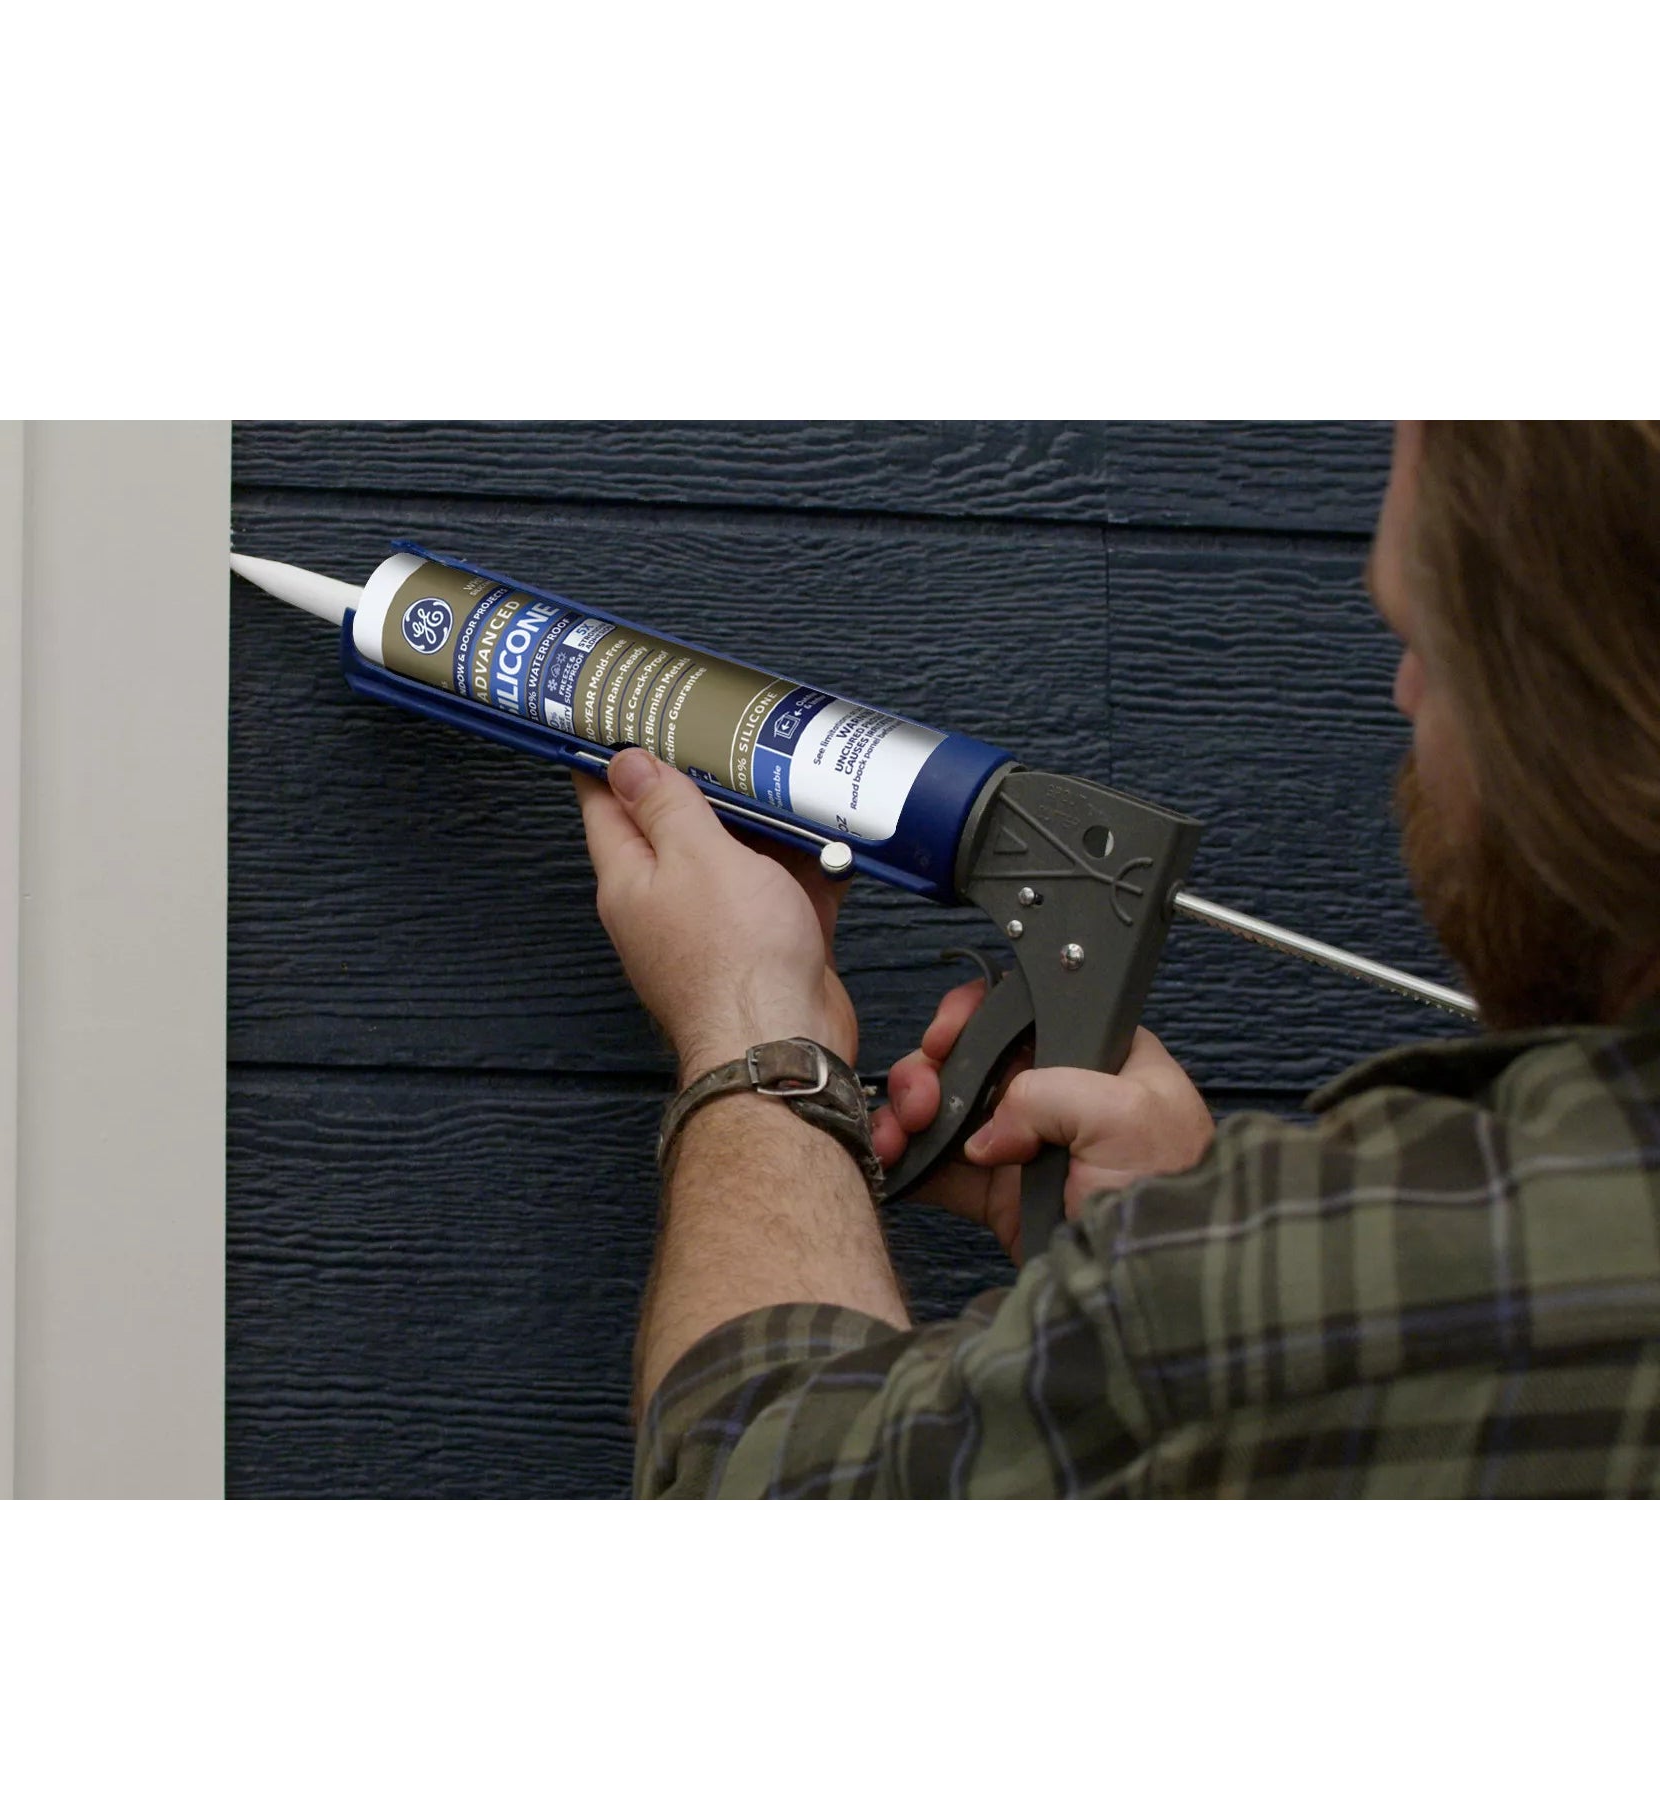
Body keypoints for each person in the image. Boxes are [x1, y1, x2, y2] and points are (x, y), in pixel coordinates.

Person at [571, 422, 1660, 1497]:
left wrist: (757, 1033)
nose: (1406, 696)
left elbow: (767, 1482)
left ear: (1571, 700)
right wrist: (1176, 1274)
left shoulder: (1418, 1270)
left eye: (1423, 638)